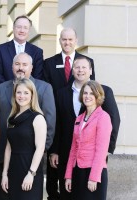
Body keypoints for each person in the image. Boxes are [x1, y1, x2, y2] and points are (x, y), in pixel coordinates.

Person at [50, 57, 120, 200]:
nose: (80, 70)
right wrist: (56, 153)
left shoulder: (103, 107)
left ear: (90, 71)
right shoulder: (75, 111)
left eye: (84, 67)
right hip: (72, 161)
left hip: (93, 164)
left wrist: (106, 151)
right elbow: (59, 125)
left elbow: (114, 121)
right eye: (77, 67)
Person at [0, 52, 56, 200]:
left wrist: (35, 155)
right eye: (17, 64)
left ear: (31, 68)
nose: (20, 68)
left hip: (30, 161)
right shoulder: (2, 89)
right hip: (6, 162)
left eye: (24, 64)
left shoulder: (44, 89)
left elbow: (49, 126)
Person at [43, 27, 95, 200]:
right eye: (64, 39)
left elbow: (95, 98)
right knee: (56, 183)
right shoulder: (49, 63)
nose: (67, 42)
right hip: (61, 136)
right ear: (60, 41)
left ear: (76, 40)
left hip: (86, 142)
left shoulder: (87, 62)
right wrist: (53, 149)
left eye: (70, 39)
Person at [65, 80, 112, 200]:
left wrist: (93, 178)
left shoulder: (103, 117)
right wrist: (68, 175)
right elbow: (73, 149)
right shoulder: (79, 118)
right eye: (85, 93)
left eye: (91, 93)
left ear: (98, 96)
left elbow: (101, 150)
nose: (87, 96)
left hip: (93, 172)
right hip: (78, 171)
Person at [1, 78, 46, 200]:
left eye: (26, 93)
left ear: (32, 95)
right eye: (19, 92)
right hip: (14, 170)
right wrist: (5, 174)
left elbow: (40, 148)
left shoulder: (38, 118)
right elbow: (8, 148)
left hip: (30, 169)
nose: (22, 96)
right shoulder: (12, 118)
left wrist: (31, 174)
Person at [0, 15, 44, 86]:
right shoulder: (0, 50)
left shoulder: (37, 52)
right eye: (19, 27)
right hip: (6, 94)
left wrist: (26, 93)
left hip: (29, 95)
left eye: (25, 28)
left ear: (29, 30)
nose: (22, 30)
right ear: (13, 28)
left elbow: (37, 78)